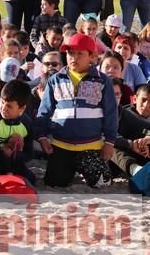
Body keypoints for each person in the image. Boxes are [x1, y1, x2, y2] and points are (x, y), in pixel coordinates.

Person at [35, 33, 117, 187]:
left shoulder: (103, 80)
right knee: (54, 183)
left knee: (103, 183)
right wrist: (42, 137)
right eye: (71, 53)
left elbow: (111, 113)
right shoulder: (55, 80)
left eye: (80, 53)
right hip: (61, 145)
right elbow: (44, 111)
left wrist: (110, 142)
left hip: (91, 146)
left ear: (92, 57)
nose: (74, 57)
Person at [0, 80, 36, 185]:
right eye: (2, 102)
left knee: (30, 179)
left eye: (9, 106)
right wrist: (2, 151)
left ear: (22, 108)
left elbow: (29, 154)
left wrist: (14, 154)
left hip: (13, 162)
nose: (3, 109)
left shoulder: (26, 124)